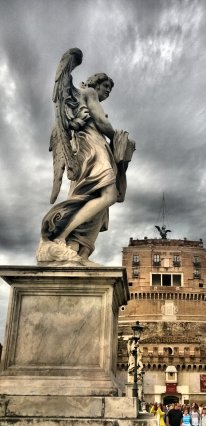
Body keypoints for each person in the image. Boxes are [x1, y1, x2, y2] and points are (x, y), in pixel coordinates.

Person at [36, 47, 135, 265]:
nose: (108, 91)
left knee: (96, 200)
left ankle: (79, 251)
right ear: (94, 83)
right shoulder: (88, 94)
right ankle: (60, 237)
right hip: (92, 148)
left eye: (110, 88)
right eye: (106, 86)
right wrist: (121, 138)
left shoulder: (80, 99)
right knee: (108, 195)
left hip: (89, 149)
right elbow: (102, 123)